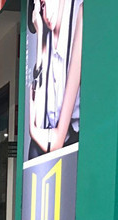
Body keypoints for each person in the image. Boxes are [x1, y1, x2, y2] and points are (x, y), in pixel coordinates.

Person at [28, 0, 83, 158]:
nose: (45, 14)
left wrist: (32, 129)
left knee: (35, 150)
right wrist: (40, 38)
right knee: (34, 149)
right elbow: (39, 117)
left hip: (77, 140)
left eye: (45, 2)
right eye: (41, 6)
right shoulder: (48, 42)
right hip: (56, 141)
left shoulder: (80, 13)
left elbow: (56, 141)